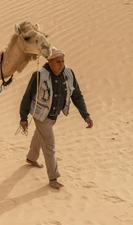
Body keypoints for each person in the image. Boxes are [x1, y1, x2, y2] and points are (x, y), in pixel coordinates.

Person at [19, 47, 94, 190]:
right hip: (41, 116)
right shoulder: (39, 75)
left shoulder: (68, 73)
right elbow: (27, 97)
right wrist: (23, 117)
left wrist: (86, 115)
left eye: (63, 61)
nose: (61, 65)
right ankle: (53, 177)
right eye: (58, 62)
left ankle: (31, 157)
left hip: (54, 115)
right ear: (50, 61)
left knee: (39, 135)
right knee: (49, 145)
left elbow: (76, 95)